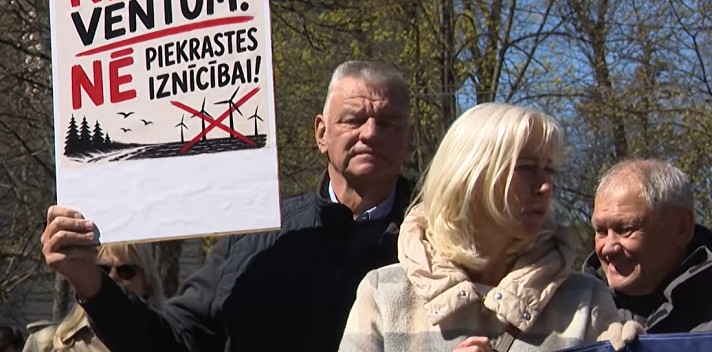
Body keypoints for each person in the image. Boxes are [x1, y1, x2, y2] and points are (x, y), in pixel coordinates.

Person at [40, 60, 414, 352]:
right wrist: (90, 282)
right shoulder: (256, 240)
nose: (370, 133)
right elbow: (172, 342)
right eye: (353, 119)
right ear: (321, 133)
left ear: (408, 140)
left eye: (388, 123)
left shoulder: (435, 242)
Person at [339, 103, 631, 352]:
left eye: (549, 170)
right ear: (469, 176)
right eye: (526, 167)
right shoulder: (384, 292)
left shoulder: (585, 300)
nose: (545, 186)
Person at [585, 158, 712, 333]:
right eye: (601, 231)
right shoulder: (574, 318)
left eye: (625, 229)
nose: (607, 248)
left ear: (682, 229)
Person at [22, 243, 165, 352]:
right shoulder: (45, 344)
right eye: (102, 270)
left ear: (147, 284)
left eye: (125, 271)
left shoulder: (167, 342)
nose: (112, 278)